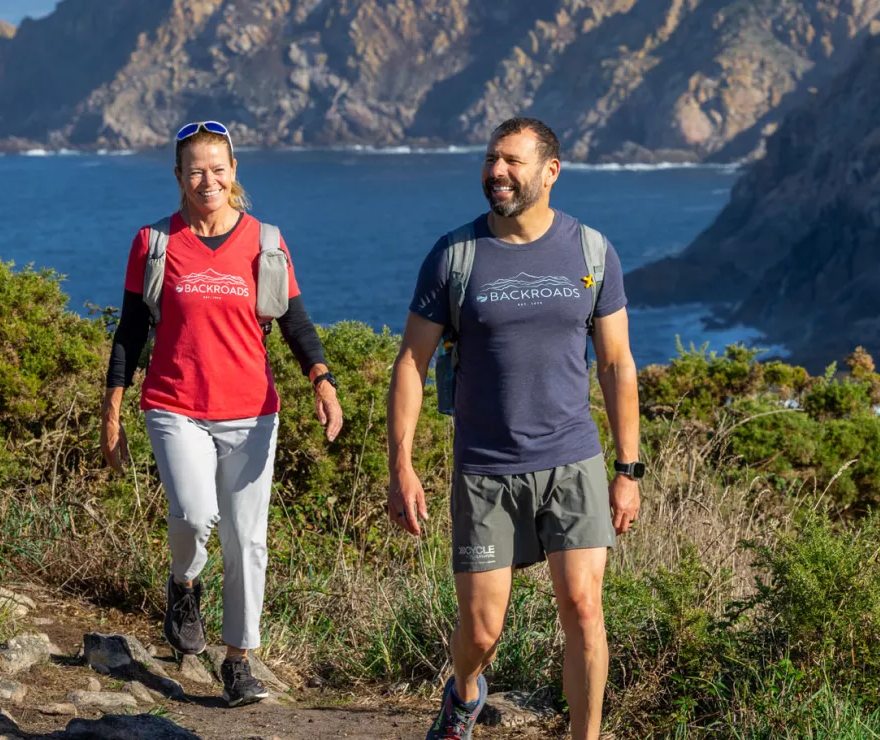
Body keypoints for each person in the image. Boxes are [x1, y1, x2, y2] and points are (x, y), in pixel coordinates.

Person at [387, 117, 643, 740]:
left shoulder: (591, 250)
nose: (495, 172)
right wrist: (402, 466)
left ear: (550, 172)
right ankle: (465, 696)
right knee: (480, 630)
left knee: (584, 608)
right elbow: (412, 364)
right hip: (486, 469)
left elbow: (614, 363)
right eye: (489, 159)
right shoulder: (455, 255)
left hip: (573, 459)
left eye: (511, 161)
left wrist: (629, 469)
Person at [100, 120, 343, 707]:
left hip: (252, 412)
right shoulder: (154, 242)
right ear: (179, 176)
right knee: (192, 514)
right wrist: (111, 411)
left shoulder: (266, 241)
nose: (207, 180)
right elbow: (131, 332)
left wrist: (323, 381)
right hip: (174, 404)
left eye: (218, 168)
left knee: (247, 540)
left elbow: (294, 321)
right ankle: (183, 582)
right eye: (195, 170)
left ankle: (238, 662)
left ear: (234, 172)